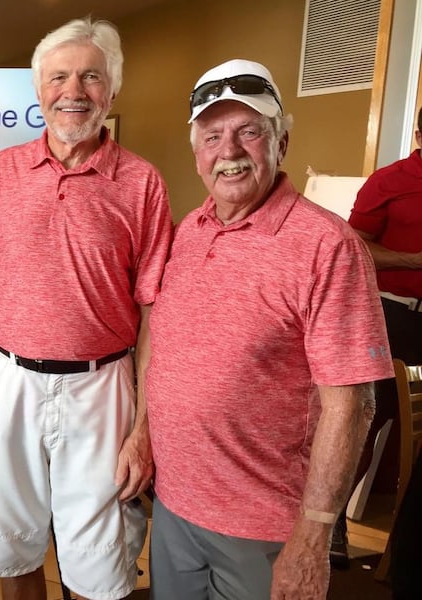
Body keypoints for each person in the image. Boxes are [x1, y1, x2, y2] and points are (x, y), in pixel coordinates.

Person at [145, 58, 394, 599]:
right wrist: (143, 437)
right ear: (196, 153)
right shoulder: (190, 230)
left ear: (281, 143)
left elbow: (352, 405)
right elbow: (163, 351)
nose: (229, 152)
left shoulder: (328, 246)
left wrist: (313, 536)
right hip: (174, 508)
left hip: (266, 529)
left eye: (249, 132)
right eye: (212, 136)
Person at [0, 16, 173, 600]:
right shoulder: (1, 173)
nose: (74, 92)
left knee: (101, 564)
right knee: (9, 542)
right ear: (39, 89)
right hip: (5, 382)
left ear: (113, 92)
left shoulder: (143, 183)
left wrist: (144, 429)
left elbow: (154, 314)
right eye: (59, 77)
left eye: (91, 77)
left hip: (102, 390)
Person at [347, 107, 422, 597]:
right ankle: (328, 521)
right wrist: (413, 261)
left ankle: (405, 551)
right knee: (362, 417)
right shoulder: (390, 181)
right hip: (391, 314)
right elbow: (352, 244)